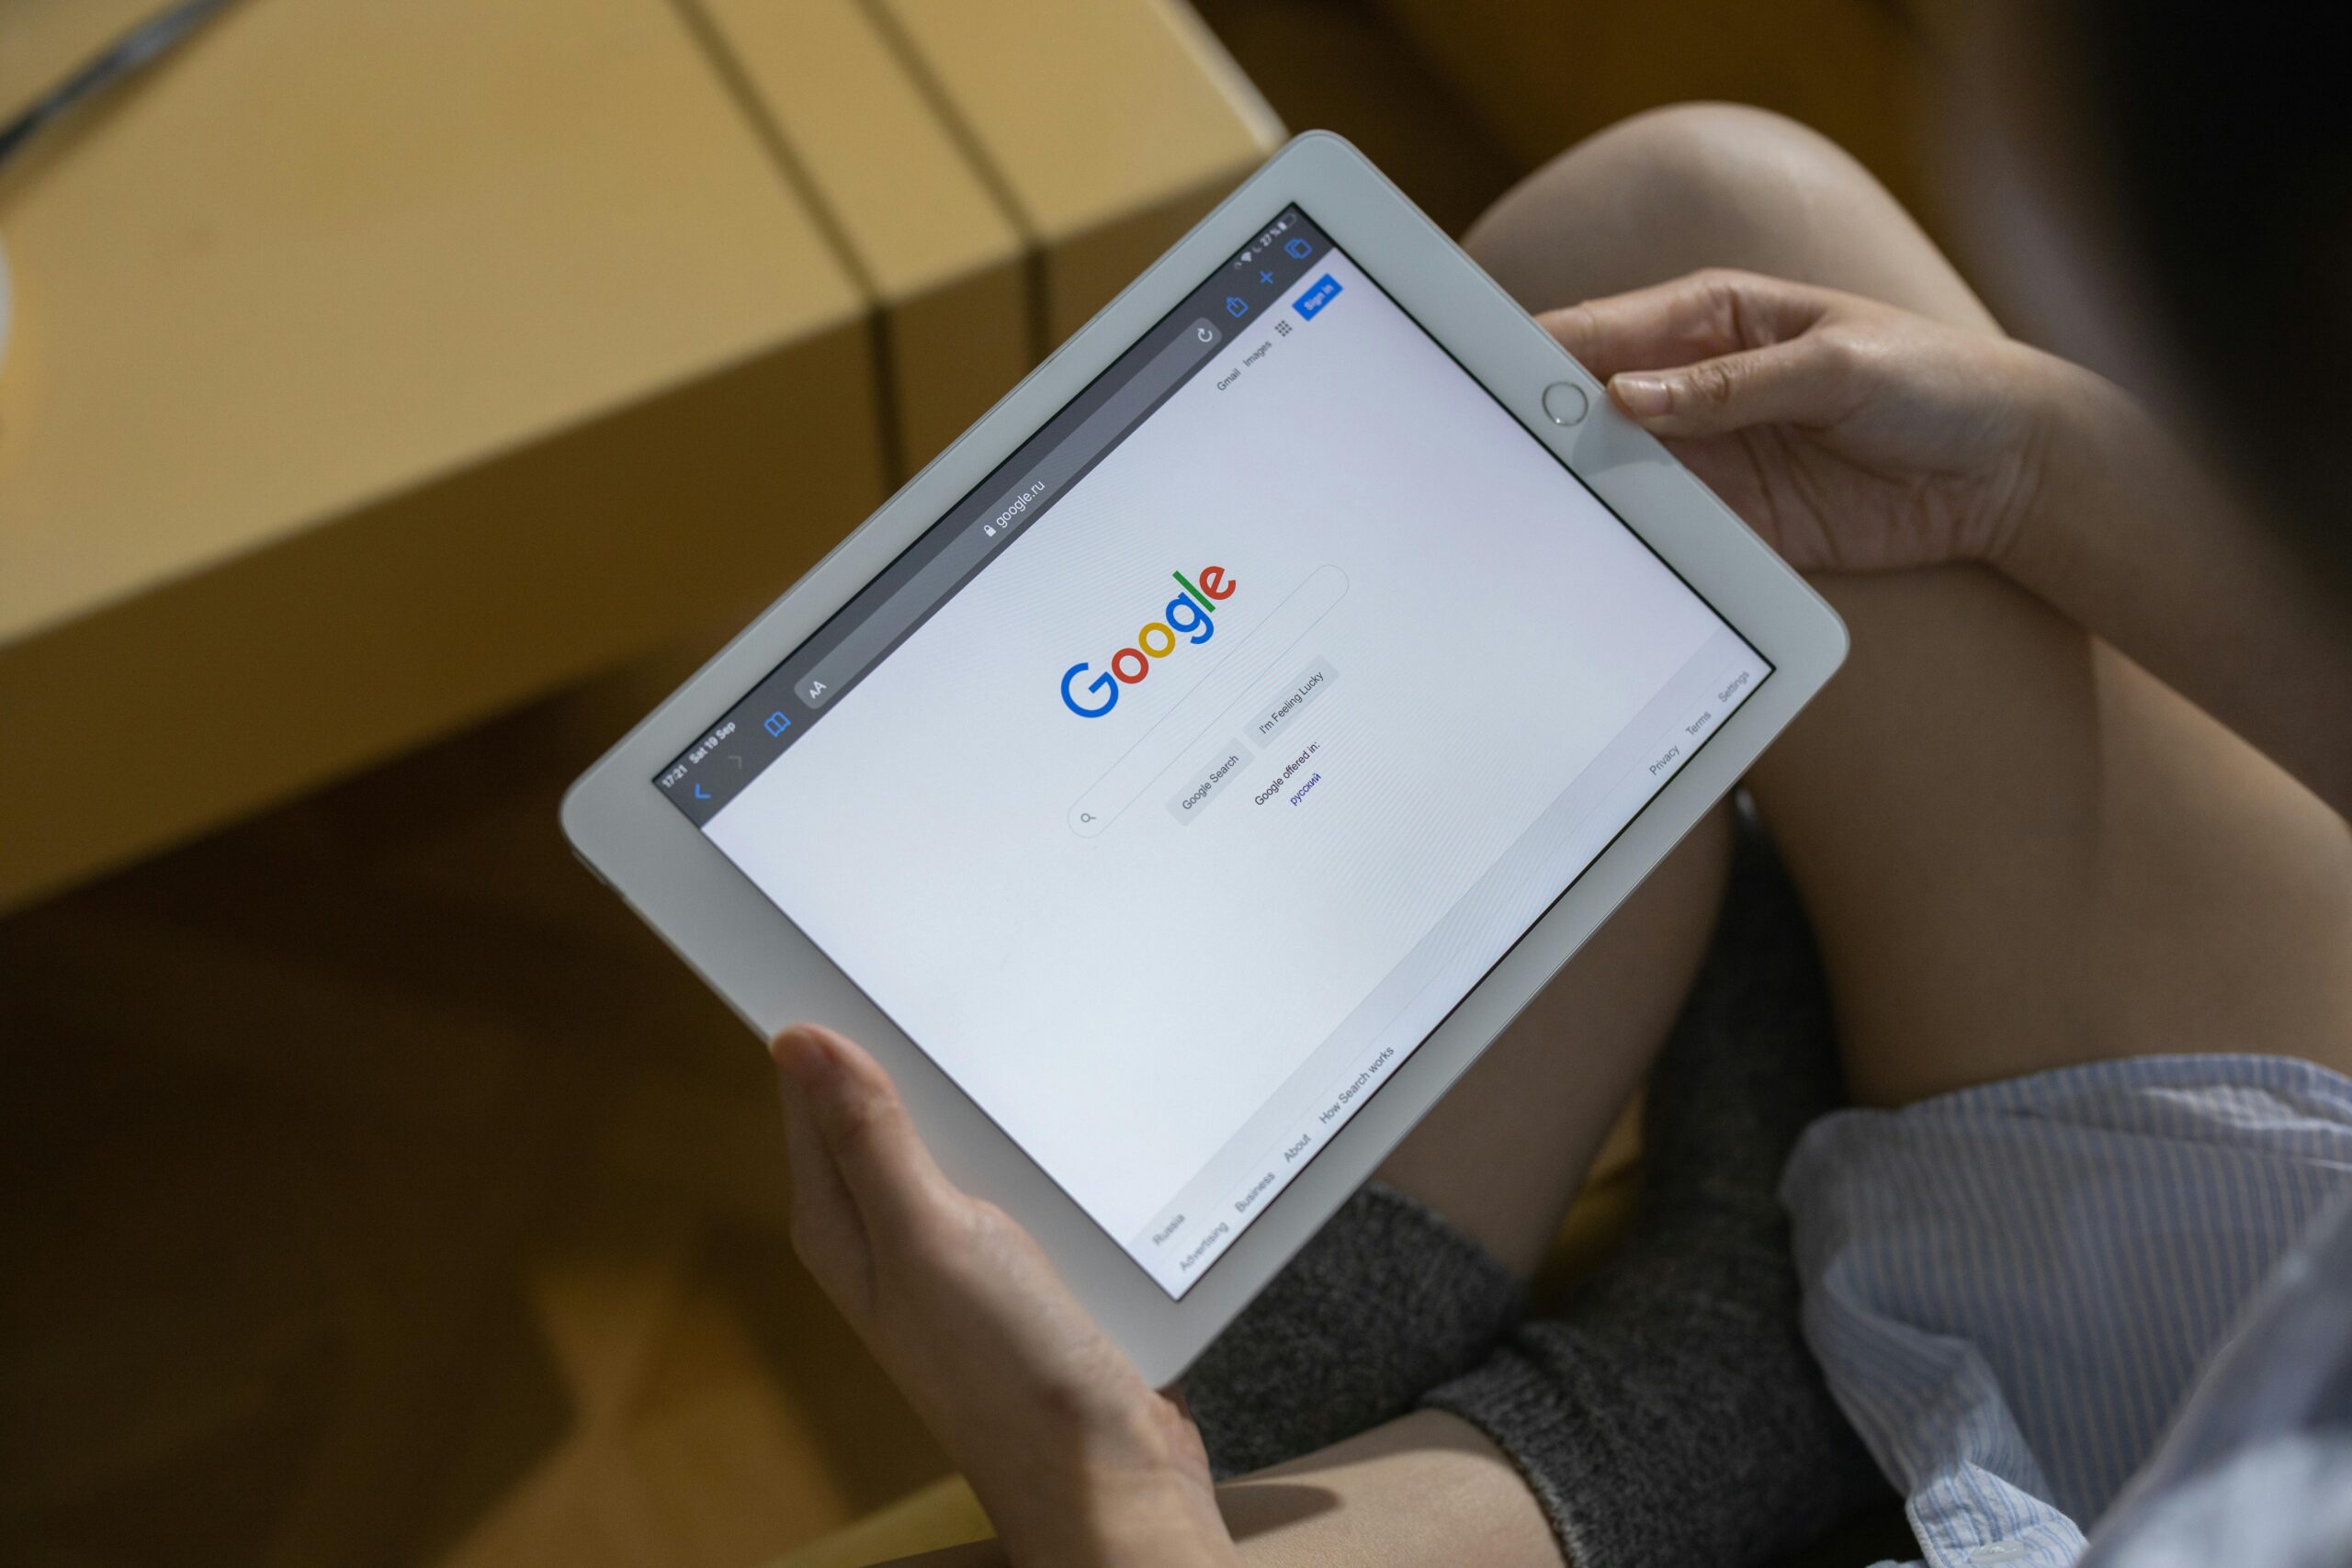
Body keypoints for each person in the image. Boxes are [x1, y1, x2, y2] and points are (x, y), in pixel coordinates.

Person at [766, 1, 2352, 1562]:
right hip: (2266, 1243)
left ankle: (1721, 1378)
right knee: (1684, 240)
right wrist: (2033, 466)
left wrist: (1097, 1497)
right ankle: (1764, 1351)